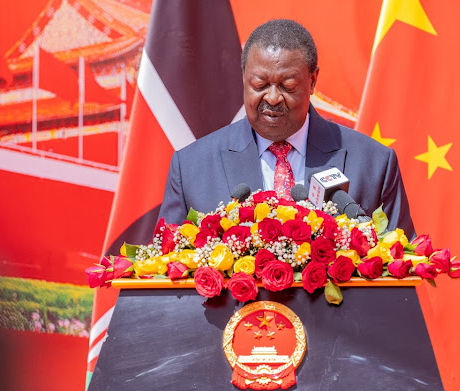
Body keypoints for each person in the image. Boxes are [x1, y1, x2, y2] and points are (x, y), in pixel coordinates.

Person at [158, 19, 414, 235]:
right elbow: (166, 271)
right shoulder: (191, 167)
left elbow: (400, 266)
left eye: (288, 86)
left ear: (312, 81)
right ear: (244, 77)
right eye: (259, 84)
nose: (272, 98)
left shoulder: (374, 163)